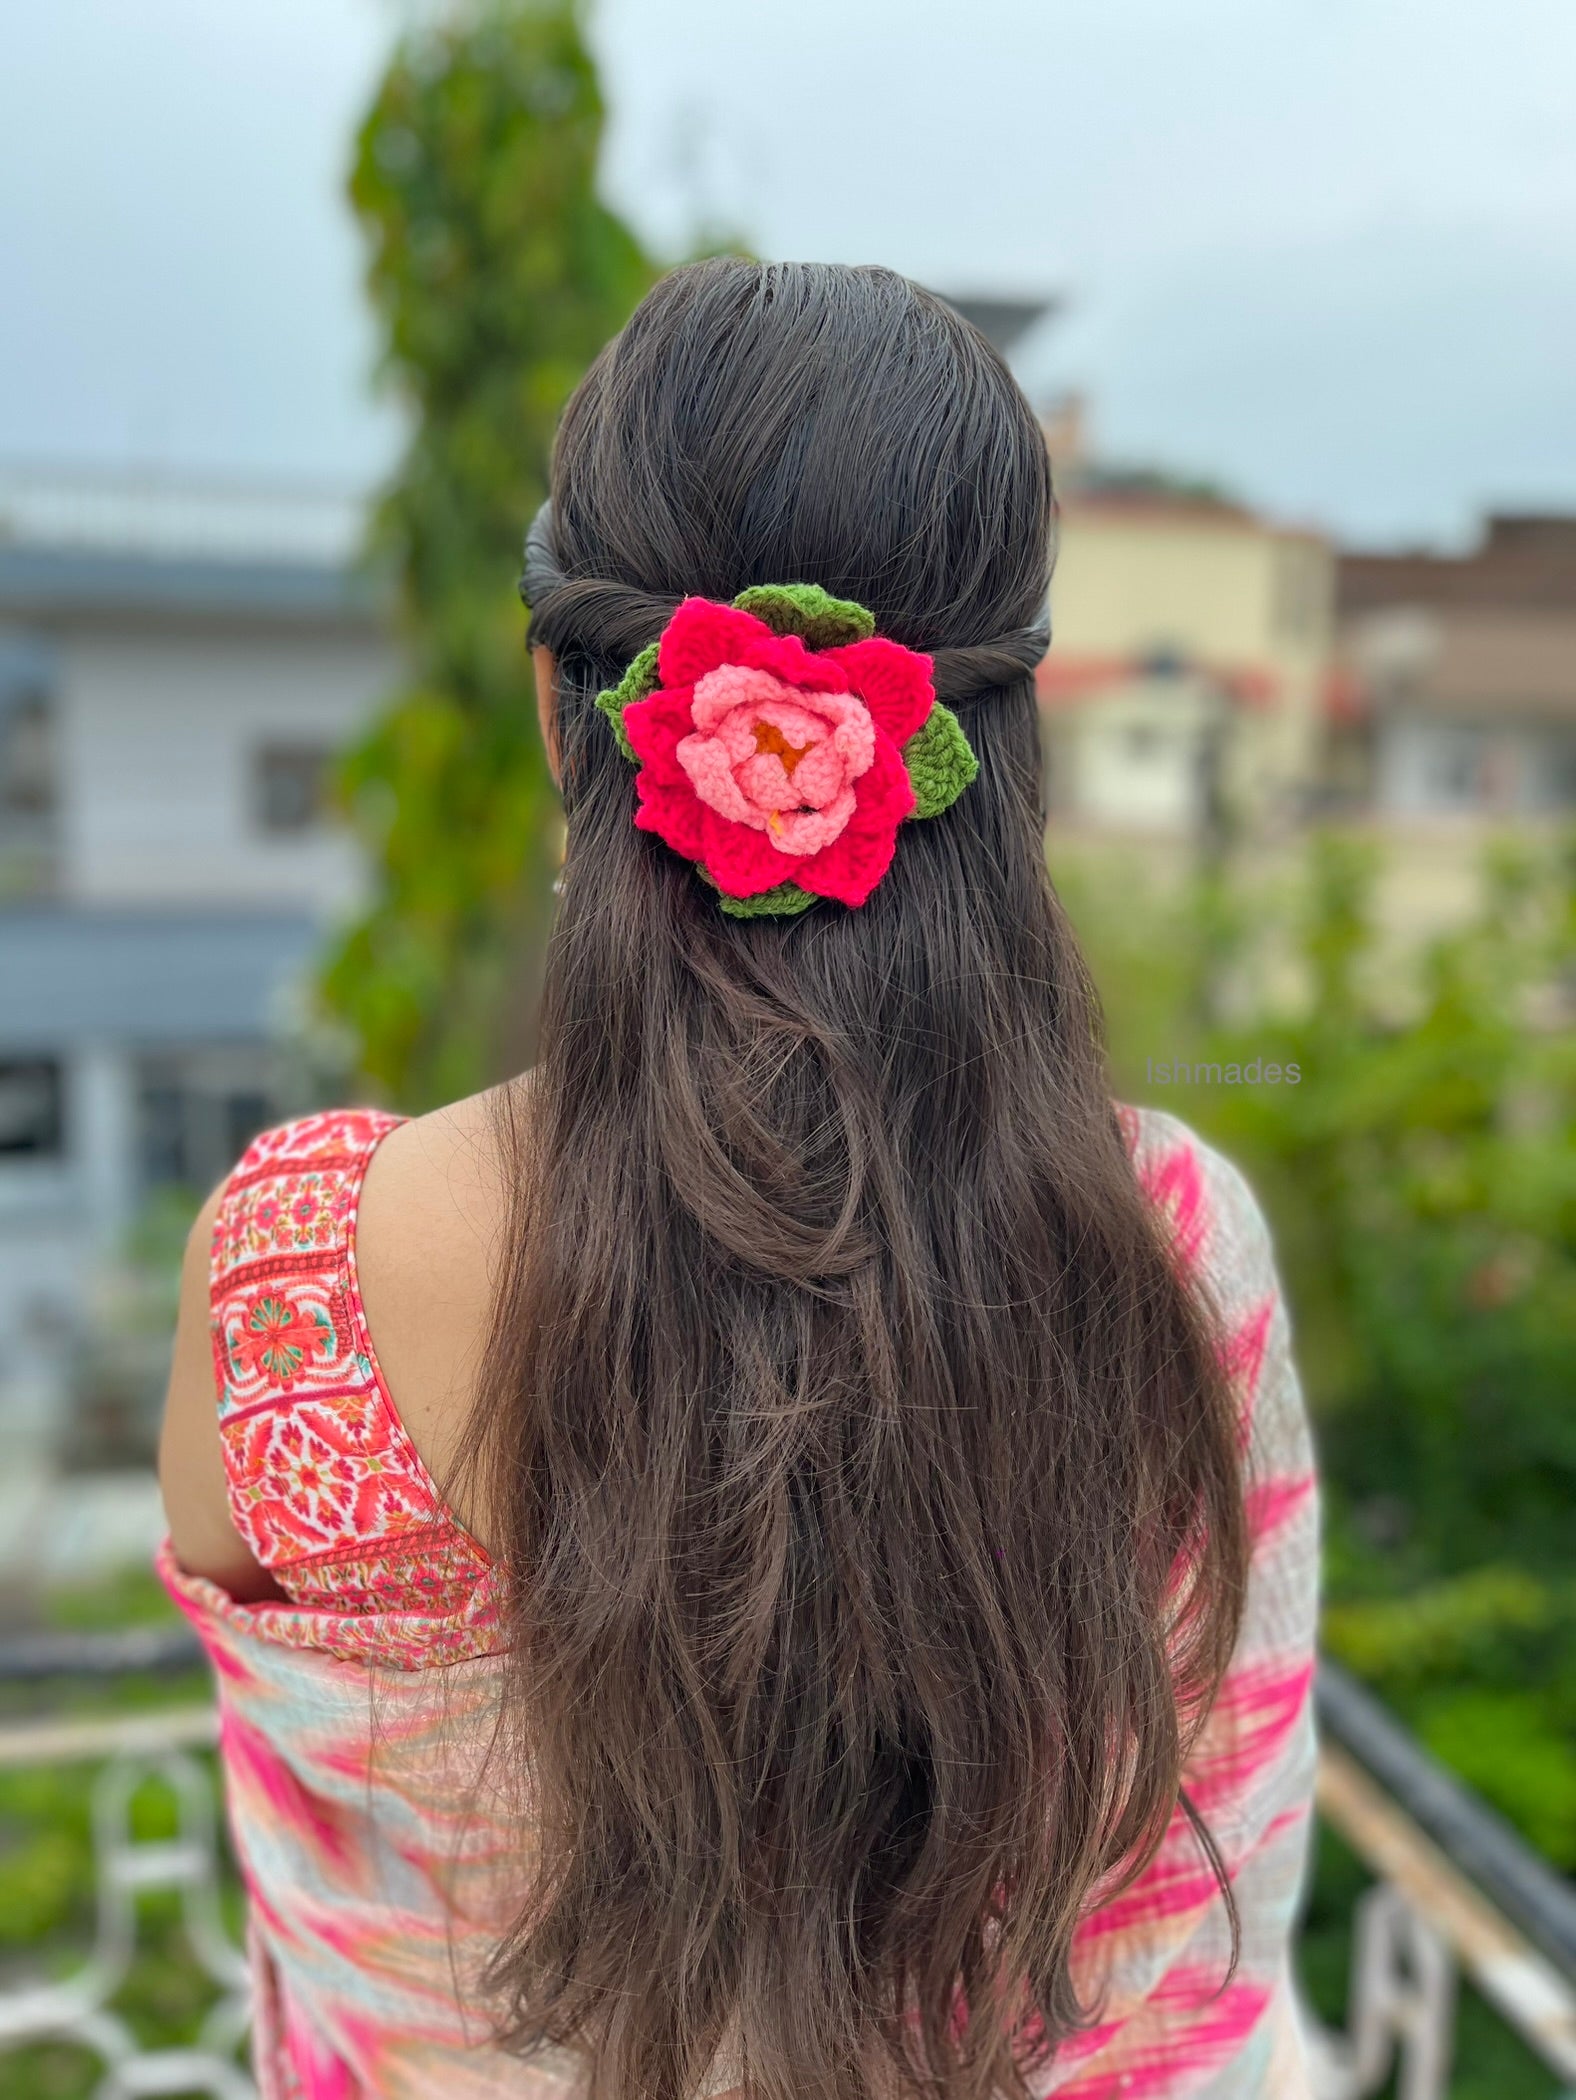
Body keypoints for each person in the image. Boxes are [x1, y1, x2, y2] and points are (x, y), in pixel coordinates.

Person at [156, 258, 1319, 2100]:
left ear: (563, 707)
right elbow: (1186, 1960)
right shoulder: (1168, 1255)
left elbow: (328, 1896)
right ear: (1003, 746)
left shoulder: (292, 1274)